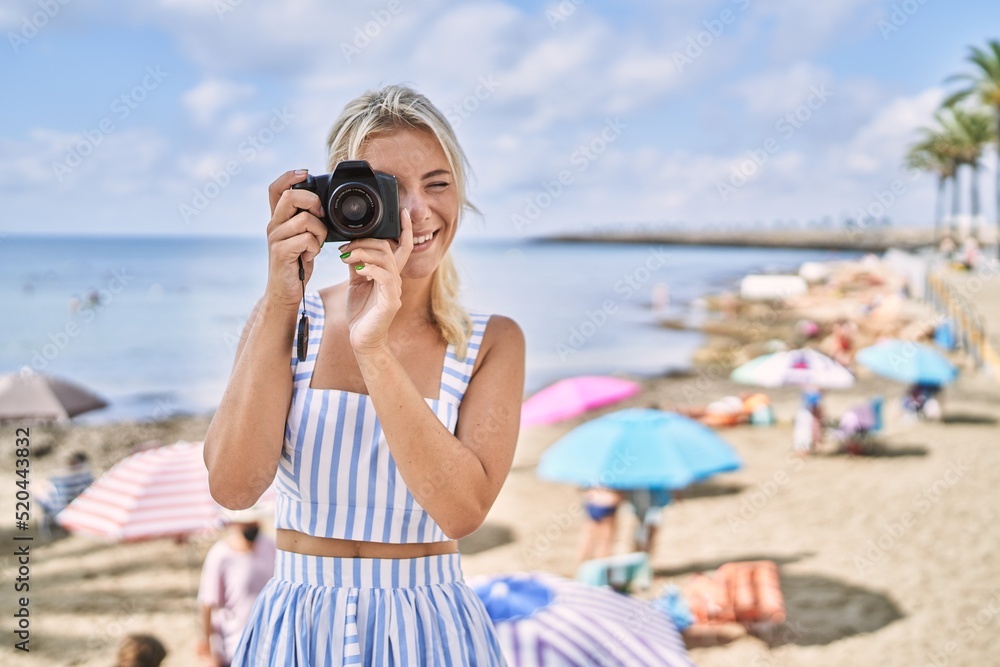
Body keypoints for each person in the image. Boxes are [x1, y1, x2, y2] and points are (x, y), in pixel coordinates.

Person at [204, 84, 524, 665]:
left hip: (429, 628)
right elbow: (233, 486)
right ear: (338, 200)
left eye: (437, 183)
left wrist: (372, 345)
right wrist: (282, 292)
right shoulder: (285, 316)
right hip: (296, 625)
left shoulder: (492, 341)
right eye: (389, 189)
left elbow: (462, 511)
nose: (418, 213)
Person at [196, 504, 276, 667]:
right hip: (234, 646)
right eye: (246, 524)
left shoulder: (270, 546)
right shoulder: (221, 556)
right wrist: (208, 646)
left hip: (269, 643)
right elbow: (207, 604)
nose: (251, 528)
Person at [37, 451, 94, 534]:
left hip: (62, 506)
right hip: (81, 504)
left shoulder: (61, 479)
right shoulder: (87, 476)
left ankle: (49, 526)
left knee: (41, 494)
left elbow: (57, 495)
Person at [577, 486, 624, 564]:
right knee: (604, 541)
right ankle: (598, 566)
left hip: (593, 500)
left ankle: (581, 566)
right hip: (608, 501)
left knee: (587, 537)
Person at [625, 487, 674, 557]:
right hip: (642, 491)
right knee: (644, 524)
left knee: (652, 524)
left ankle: (644, 553)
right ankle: (640, 554)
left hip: (654, 494)